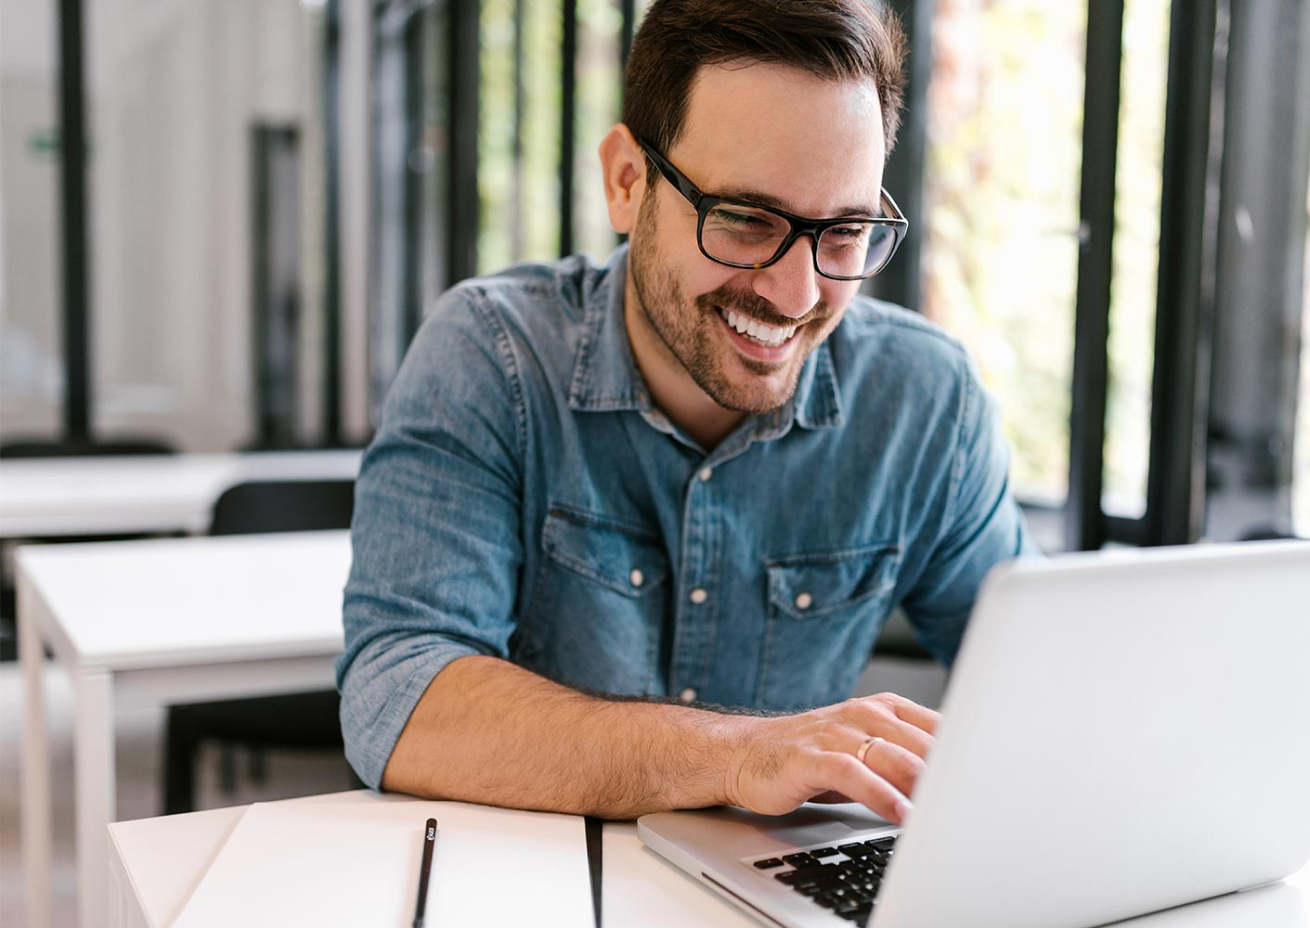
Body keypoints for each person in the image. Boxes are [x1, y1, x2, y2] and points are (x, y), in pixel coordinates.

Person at [337, 0, 1035, 828]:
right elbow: (398, 696)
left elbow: (1039, 683)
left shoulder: (927, 401)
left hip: (767, 897)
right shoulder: (492, 354)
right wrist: (738, 755)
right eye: (744, 220)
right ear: (627, 182)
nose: (798, 294)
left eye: (844, 232)